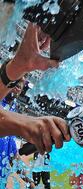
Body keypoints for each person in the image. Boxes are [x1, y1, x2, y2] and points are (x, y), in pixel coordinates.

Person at [0, 23, 70, 153]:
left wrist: (20, 64)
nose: (18, 87)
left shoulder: (11, 105)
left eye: (20, 83)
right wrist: (21, 124)